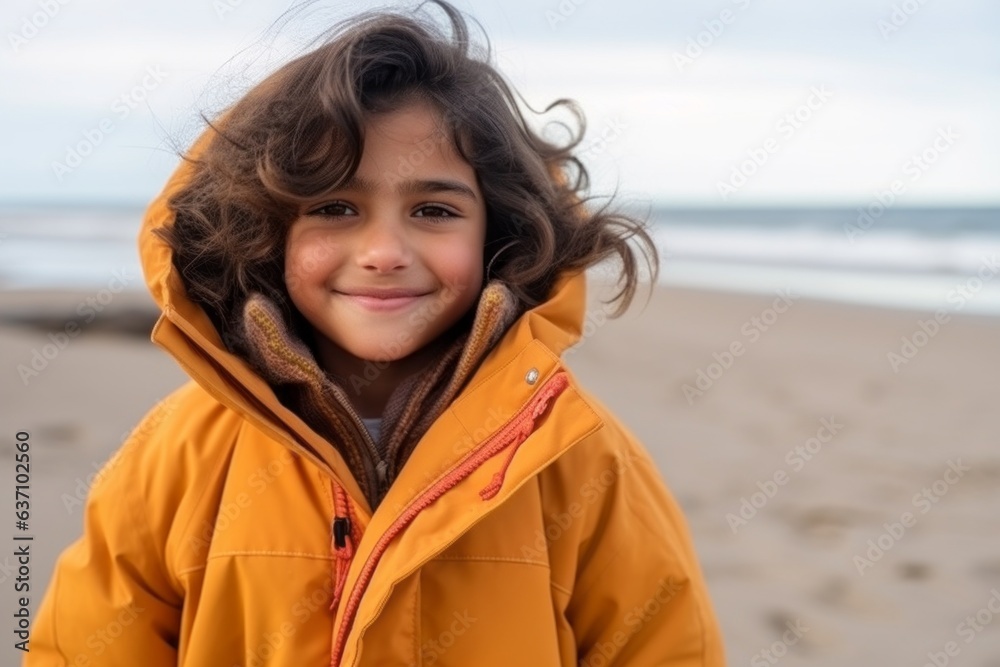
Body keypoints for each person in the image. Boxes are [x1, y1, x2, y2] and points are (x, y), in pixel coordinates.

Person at [27, 2, 725, 665]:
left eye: (432, 209)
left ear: (499, 231)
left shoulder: (580, 460)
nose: (384, 251)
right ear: (267, 229)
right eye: (334, 205)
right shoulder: (177, 458)